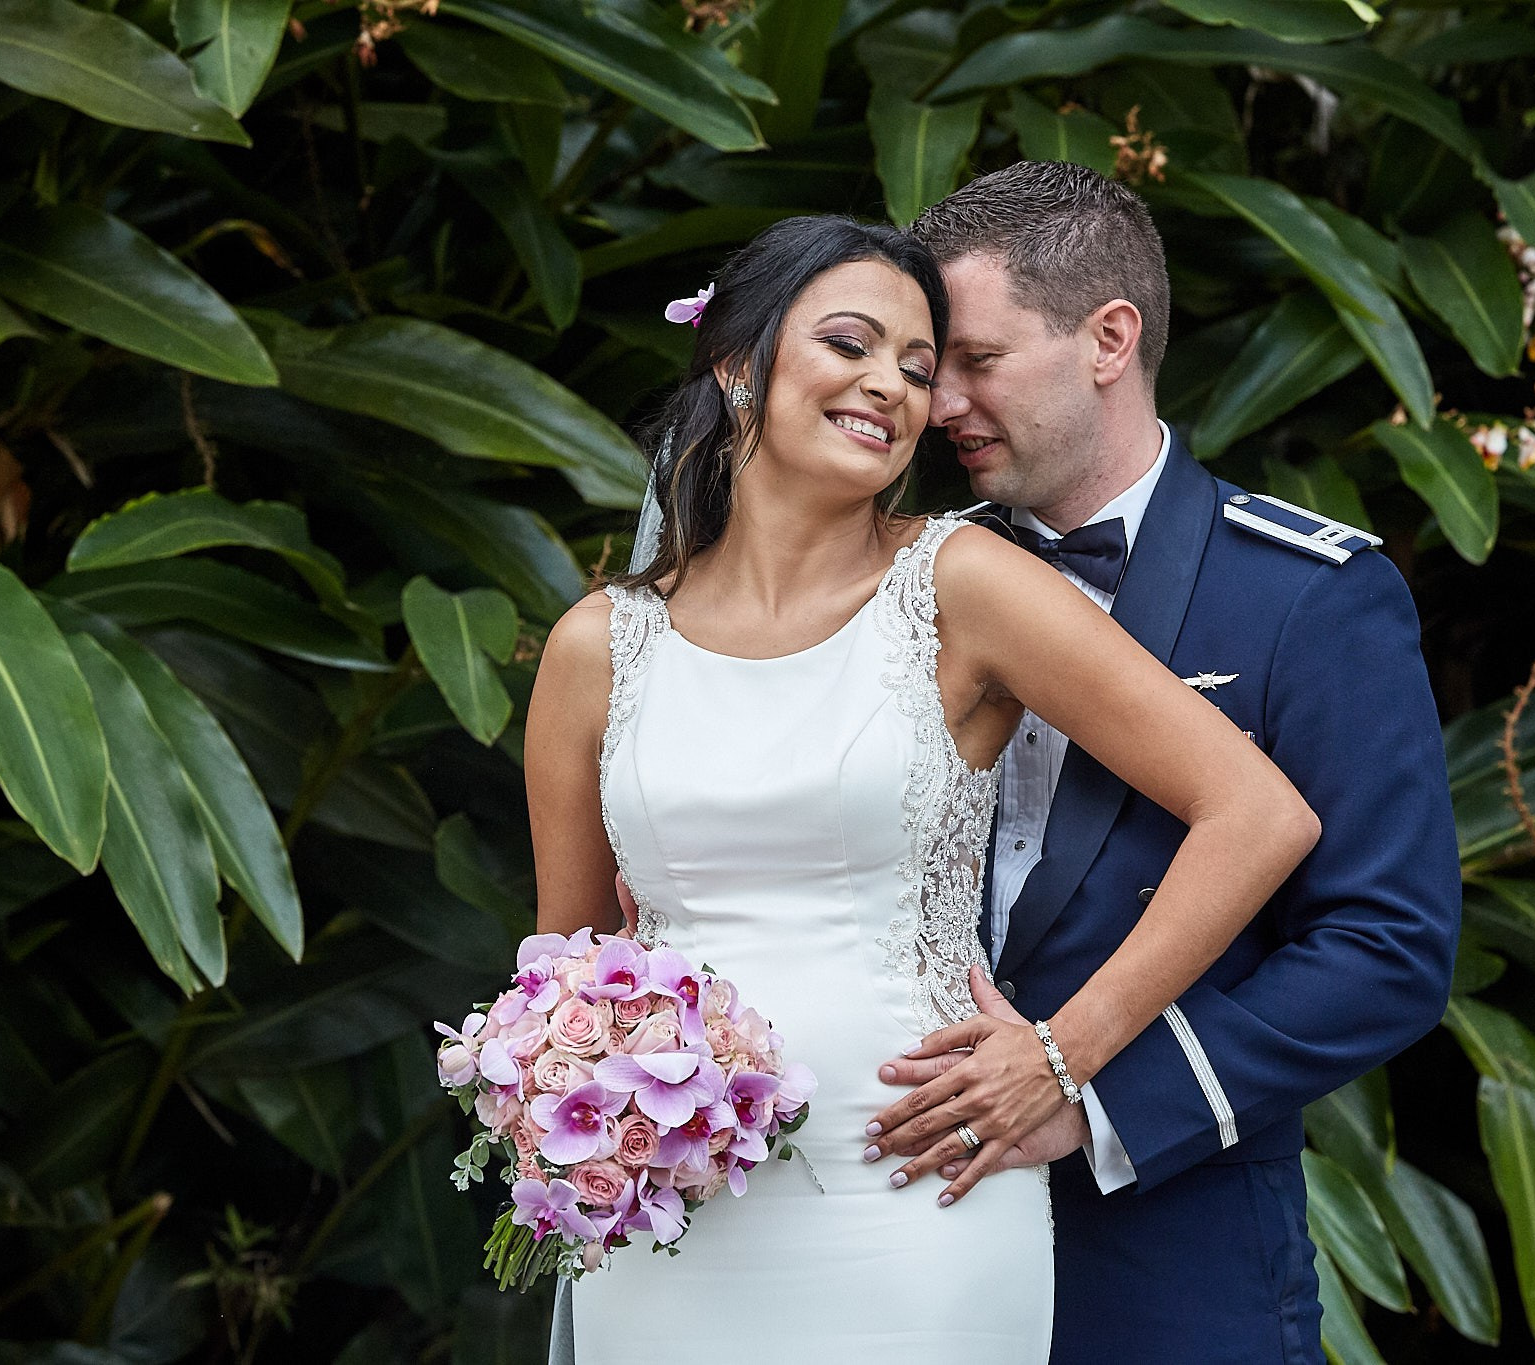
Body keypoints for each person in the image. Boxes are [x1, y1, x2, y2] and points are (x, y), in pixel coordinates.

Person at [524, 214, 1320, 1362]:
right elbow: (568, 962)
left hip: (914, 1199)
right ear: (738, 364)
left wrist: (1064, 1051)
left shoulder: (959, 583)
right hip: (674, 1221)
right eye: (849, 345)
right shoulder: (598, 645)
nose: (890, 388)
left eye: (916, 367)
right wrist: (567, 1110)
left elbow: (1256, 813)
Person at [862, 162, 1462, 1363]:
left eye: (975, 361)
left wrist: (1086, 1102)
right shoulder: (890, 584)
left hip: (1170, 1253)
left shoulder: (1307, 598)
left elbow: (1385, 947)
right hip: (884, 1231)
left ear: (1108, 338)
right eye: (936, 371)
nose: (939, 408)